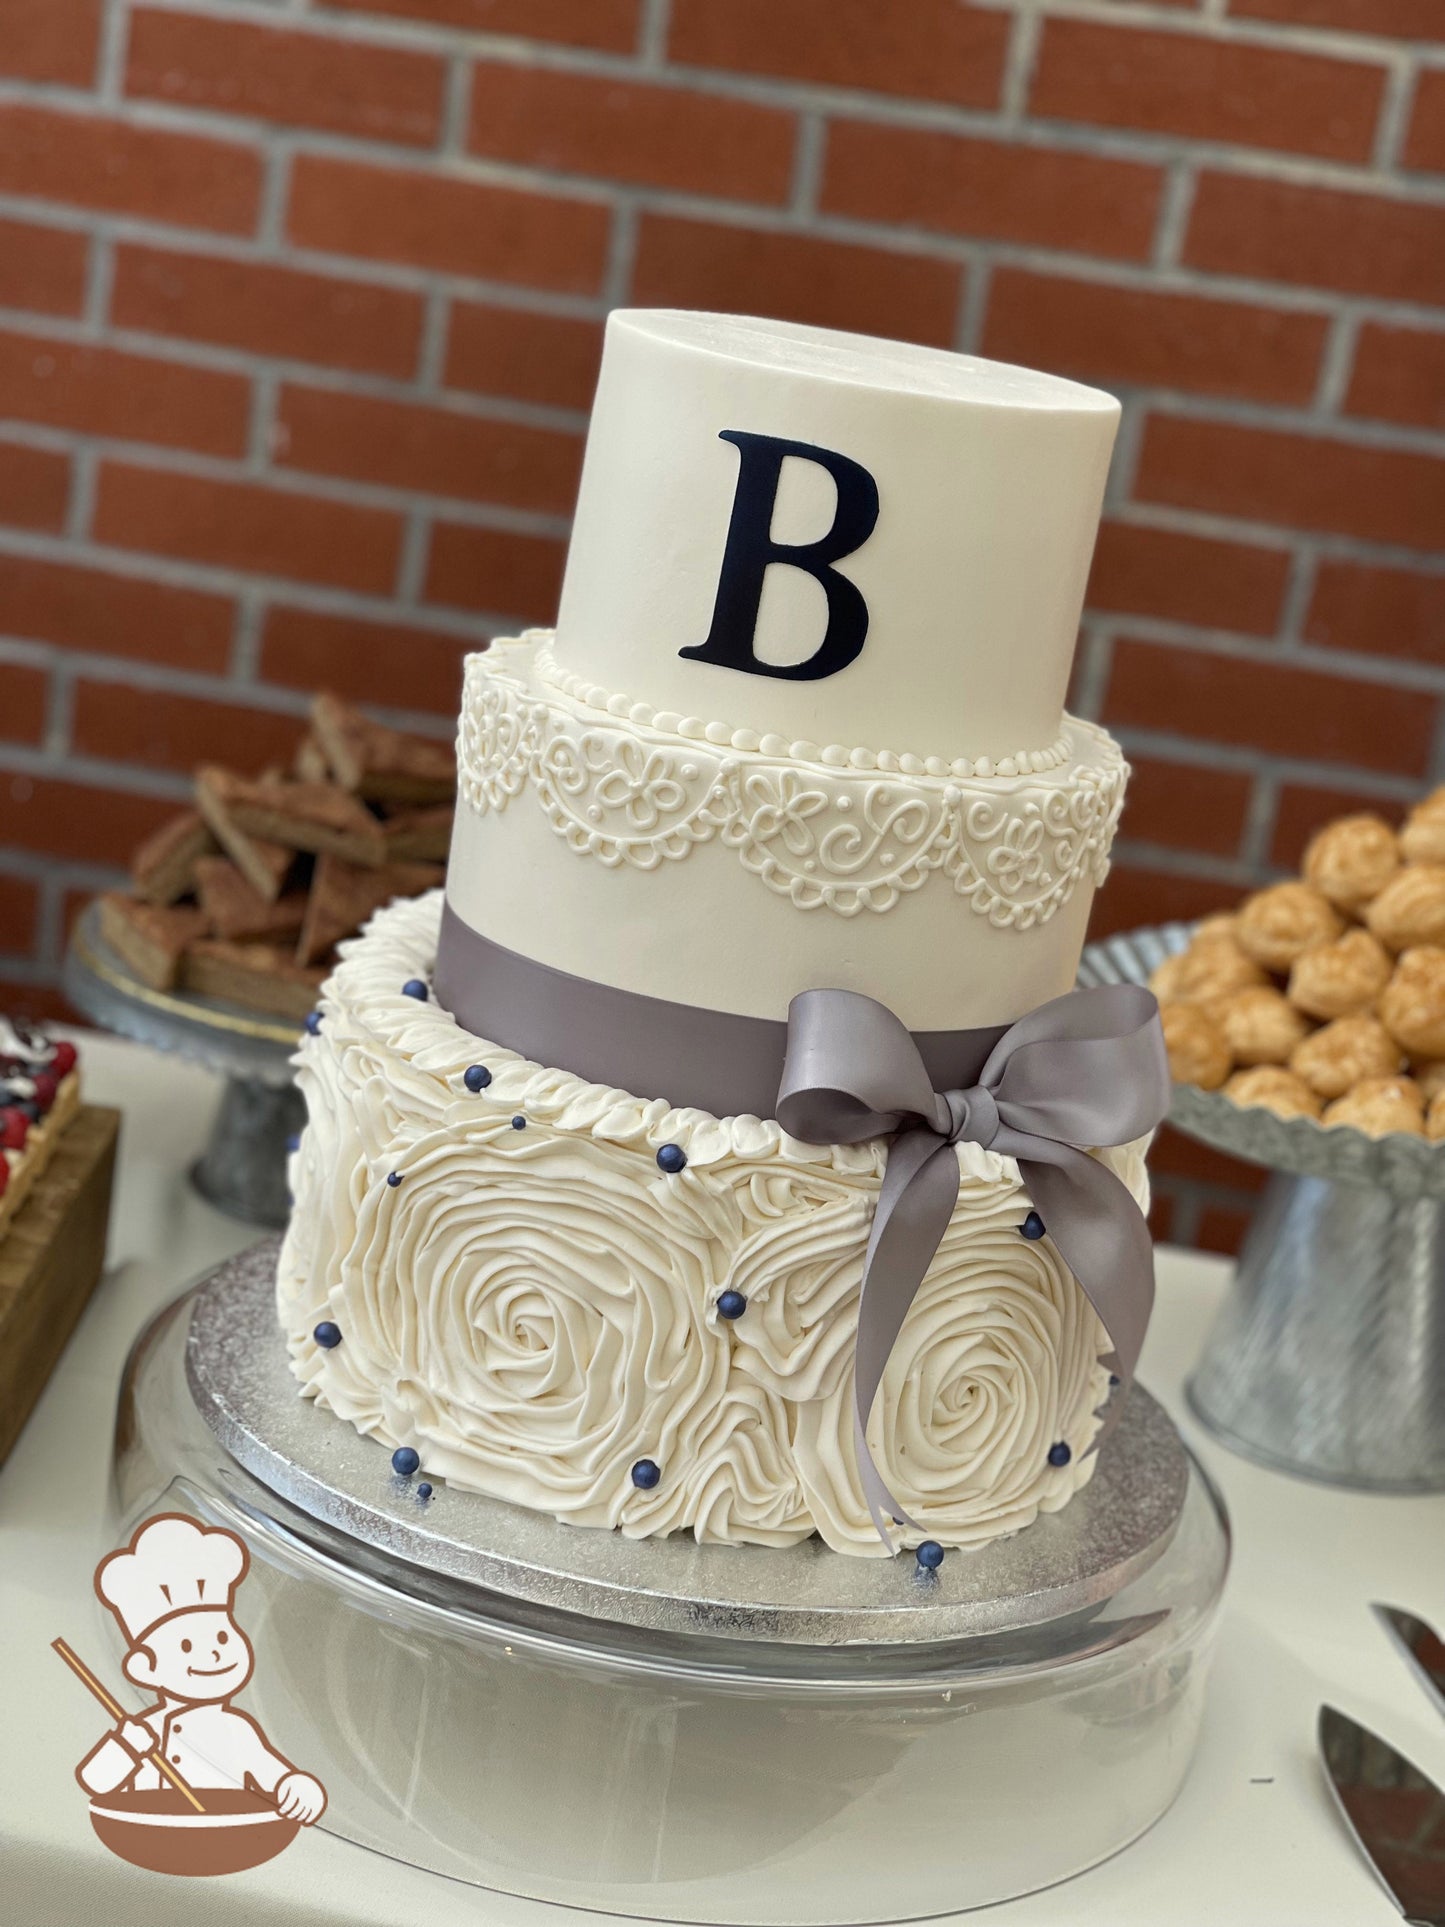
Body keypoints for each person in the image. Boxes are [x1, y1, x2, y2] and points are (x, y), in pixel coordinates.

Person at [76, 1513, 326, 1824]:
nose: (213, 1653)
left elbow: (272, 1774)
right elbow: (96, 1782)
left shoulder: (238, 1729)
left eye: (222, 1636)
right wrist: (126, 1747)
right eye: (186, 1646)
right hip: (147, 1832)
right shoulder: (146, 1730)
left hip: (224, 1832)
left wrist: (297, 1786)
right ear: (145, 1668)